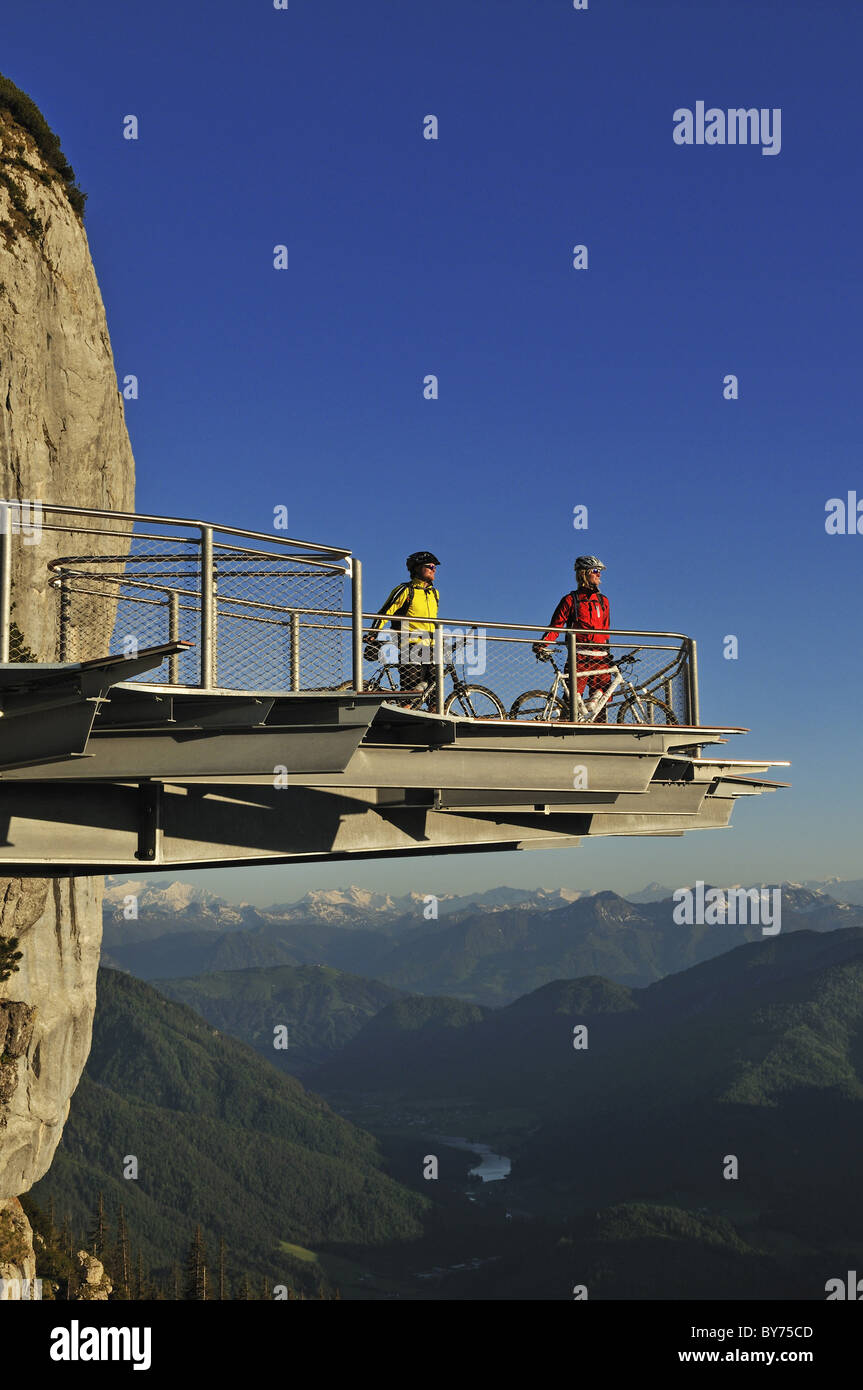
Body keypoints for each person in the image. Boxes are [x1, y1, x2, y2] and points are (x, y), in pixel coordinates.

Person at [532, 555, 613, 720]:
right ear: (584, 574)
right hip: (579, 657)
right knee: (570, 702)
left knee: (600, 703)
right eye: (596, 571)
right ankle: (564, 732)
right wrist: (542, 644)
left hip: (601, 658)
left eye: (600, 572)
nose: (599, 575)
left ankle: (599, 736)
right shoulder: (570, 600)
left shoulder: (604, 601)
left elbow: (606, 631)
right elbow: (556, 626)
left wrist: (610, 655)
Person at [364, 551, 440, 696]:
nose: (434, 569)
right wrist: (373, 633)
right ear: (417, 568)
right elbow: (385, 612)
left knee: (434, 693)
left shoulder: (434, 593)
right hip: (410, 645)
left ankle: (434, 717)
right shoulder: (405, 590)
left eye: (435, 566)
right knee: (409, 693)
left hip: (431, 646)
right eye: (430, 566)